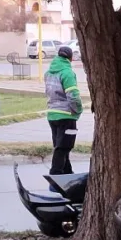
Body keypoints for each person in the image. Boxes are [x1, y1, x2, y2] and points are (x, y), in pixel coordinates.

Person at [45, 45, 83, 177]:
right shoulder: (67, 72)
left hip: (52, 115)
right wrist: (78, 111)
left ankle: (67, 174)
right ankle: (55, 175)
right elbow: (73, 95)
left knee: (60, 146)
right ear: (70, 58)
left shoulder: (48, 73)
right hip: (67, 116)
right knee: (64, 147)